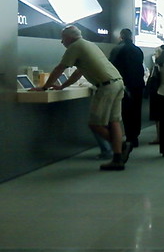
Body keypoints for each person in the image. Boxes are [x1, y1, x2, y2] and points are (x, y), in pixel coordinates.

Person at [34, 25, 130, 171]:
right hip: (117, 82)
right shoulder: (89, 44)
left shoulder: (75, 47)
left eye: (63, 38)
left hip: (106, 87)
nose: (61, 42)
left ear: (69, 38)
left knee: (95, 124)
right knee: (114, 121)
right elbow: (78, 72)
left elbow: (60, 68)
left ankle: (122, 146)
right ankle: (117, 159)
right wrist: (62, 86)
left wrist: (45, 87)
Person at [109, 28, 145, 148]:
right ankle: (135, 137)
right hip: (138, 84)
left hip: (125, 85)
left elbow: (111, 67)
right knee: (136, 111)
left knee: (126, 112)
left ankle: (129, 137)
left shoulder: (117, 49)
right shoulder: (137, 49)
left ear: (121, 37)